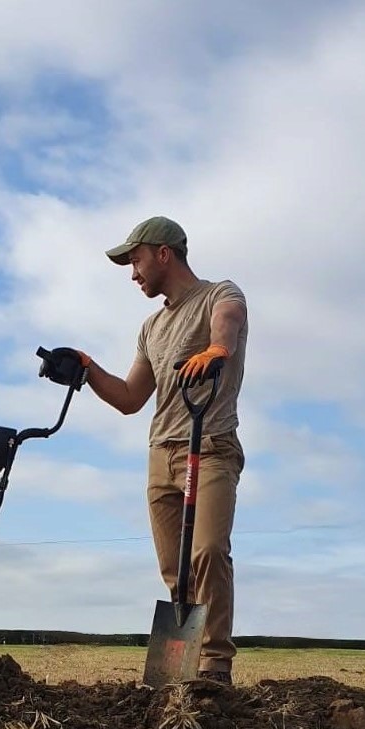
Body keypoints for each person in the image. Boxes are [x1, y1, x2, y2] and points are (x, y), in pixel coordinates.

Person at [77, 216, 248, 685]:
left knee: (208, 551)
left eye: (136, 260)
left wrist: (218, 349)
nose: (133, 273)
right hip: (162, 453)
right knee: (175, 569)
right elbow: (131, 398)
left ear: (163, 253)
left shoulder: (219, 294)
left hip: (210, 445)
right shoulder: (151, 327)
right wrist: (87, 369)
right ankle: (177, 673)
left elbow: (227, 322)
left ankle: (215, 667)